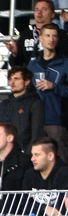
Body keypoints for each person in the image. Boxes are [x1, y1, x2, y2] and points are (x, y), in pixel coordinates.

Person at [27, 23, 68, 161]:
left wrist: (54, 86)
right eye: (48, 35)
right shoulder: (32, 66)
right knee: (37, 161)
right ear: (41, 38)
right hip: (36, 122)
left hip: (57, 121)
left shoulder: (65, 64)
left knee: (60, 161)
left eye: (54, 36)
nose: (51, 39)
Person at [6, 0, 68, 67]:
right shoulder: (26, 35)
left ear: (52, 14)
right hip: (30, 76)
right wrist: (15, 54)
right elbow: (16, 65)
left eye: (44, 9)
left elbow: (64, 60)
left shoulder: (60, 34)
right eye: (36, 9)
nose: (39, 12)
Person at [0, 66, 45, 151]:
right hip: (7, 153)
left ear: (27, 81)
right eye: (10, 79)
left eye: (16, 78)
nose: (12, 82)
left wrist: (27, 156)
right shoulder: (4, 104)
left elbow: (37, 135)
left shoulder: (35, 104)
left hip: (26, 154)